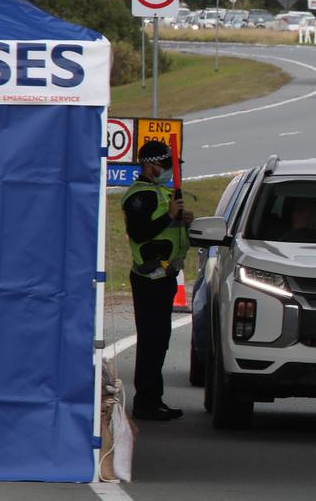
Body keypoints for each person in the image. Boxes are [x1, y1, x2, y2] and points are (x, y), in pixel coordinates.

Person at [122, 141, 193, 421]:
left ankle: (154, 398)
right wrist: (170, 216)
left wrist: (183, 219)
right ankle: (145, 403)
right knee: (152, 341)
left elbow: (169, 230)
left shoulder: (161, 193)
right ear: (149, 165)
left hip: (165, 277)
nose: (167, 172)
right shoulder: (140, 196)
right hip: (149, 278)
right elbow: (141, 233)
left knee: (160, 340)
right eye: (164, 166)